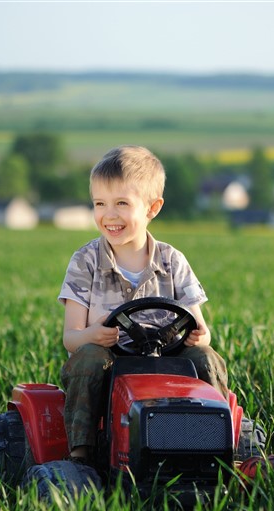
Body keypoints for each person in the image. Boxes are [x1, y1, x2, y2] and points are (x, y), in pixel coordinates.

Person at [57, 145, 228, 466]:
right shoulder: (85, 261)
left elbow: (201, 330)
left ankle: (216, 445)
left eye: (122, 203)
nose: (109, 214)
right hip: (109, 363)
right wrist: (94, 334)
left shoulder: (172, 260)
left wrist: (198, 337)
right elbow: (71, 338)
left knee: (206, 357)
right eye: (99, 204)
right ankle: (81, 454)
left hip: (168, 358)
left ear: (152, 208)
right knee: (90, 358)